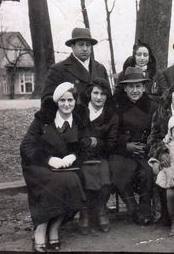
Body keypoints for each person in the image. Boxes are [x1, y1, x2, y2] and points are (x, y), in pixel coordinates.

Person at [20, 82, 88, 252]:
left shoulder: (79, 121)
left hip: (66, 168)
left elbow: (85, 146)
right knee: (57, 181)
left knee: (70, 180)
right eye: (62, 100)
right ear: (57, 102)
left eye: (70, 100)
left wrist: (73, 156)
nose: (67, 104)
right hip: (38, 167)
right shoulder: (43, 119)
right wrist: (49, 159)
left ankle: (55, 227)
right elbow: (26, 146)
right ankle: (41, 228)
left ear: (75, 101)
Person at [109, 67, 158, 225]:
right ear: (125, 88)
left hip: (146, 150)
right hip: (123, 151)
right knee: (118, 168)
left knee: (147, 172)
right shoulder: (117, 106)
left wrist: (147, 145)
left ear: (144, 87)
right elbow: (111, 135)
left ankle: (144, 210)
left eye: (138, 86)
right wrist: (126, 145)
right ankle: (132, 207)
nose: (135, 90)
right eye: (131, 86)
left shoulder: (152, 106)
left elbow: (157, 131)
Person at [147, 81, 174, 225]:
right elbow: (152, 137)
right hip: (167, 153)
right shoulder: (161, 112)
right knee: (161, 172)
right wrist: (162, 153)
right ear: (170, 95)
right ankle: (168, 216)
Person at [78, 78, 118, 234]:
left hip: (101, 155)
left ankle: (101, 209)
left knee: (104, 173)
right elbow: (76, 136)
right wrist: (87, 142)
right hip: (80, 155)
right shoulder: (80, 111)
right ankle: (85, 212)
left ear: (107, 96)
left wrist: (95, 142)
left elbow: (111, 143)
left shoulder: (111, 116)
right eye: (95, 93)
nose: (99, 97)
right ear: (90, 94)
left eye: (103, 94)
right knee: (83, 173)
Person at [41, 27, 109, 103]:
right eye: (81, 45)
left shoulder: (100, 69)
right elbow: (47, 101)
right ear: (72, 47)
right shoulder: (58, 70)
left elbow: (108, 99)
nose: (85, 49)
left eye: (88, 45)